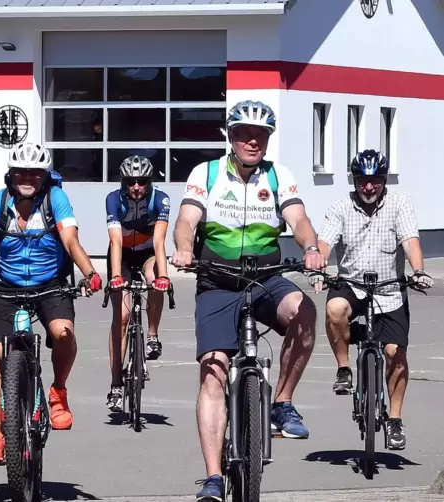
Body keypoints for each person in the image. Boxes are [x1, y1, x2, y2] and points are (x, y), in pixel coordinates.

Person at [171, 100, 324, 501]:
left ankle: (282, 403)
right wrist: (184, 248)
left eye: (260, 135)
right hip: (218, 281)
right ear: (231, 136)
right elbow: (186, 220)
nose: (252, 140)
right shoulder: (205, 174)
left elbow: (299, 218)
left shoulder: (278, 176)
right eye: (244, 133)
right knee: (213, 371)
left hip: (265, 278)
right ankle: (213, 477)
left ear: (268, 140)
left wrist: (310, 247)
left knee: (305, 312)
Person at [0, 142, 102, 464]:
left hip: (50, 284)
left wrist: (89, 273)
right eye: (21, 172)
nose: (27, 177)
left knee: (63, 333)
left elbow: (70, 240)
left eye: (34, 172)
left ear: (44, 176)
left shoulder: (55, 199)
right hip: (7, 287)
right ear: (11, 175)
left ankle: (58, 392)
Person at [313, 149, 433, 451]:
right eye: (362, 181)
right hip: (351, 284)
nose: (369, 187)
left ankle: (394, 420)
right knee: (334, 308)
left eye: (375, 181)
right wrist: (318, 264)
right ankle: (344, 368)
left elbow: (410, 241)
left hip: (389, 289)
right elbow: (325, 241)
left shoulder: (399, 203)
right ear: (354, 180)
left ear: (384, 180)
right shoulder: (341, 206)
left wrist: (417, 271)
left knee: (395, 354)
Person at [104, 155, 171, 412]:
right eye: (130, 181)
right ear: (123, 182)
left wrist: (164, 276)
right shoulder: (113, 199)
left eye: (141, 181)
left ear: (149, 181)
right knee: (121, 316)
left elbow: (159, 242)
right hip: (121, 254)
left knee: (155, 281)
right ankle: (116, 385)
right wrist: (115, 277)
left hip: (147, 253)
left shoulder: (160, 199)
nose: (136, 187)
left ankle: (152, 335)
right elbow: (115, 241)